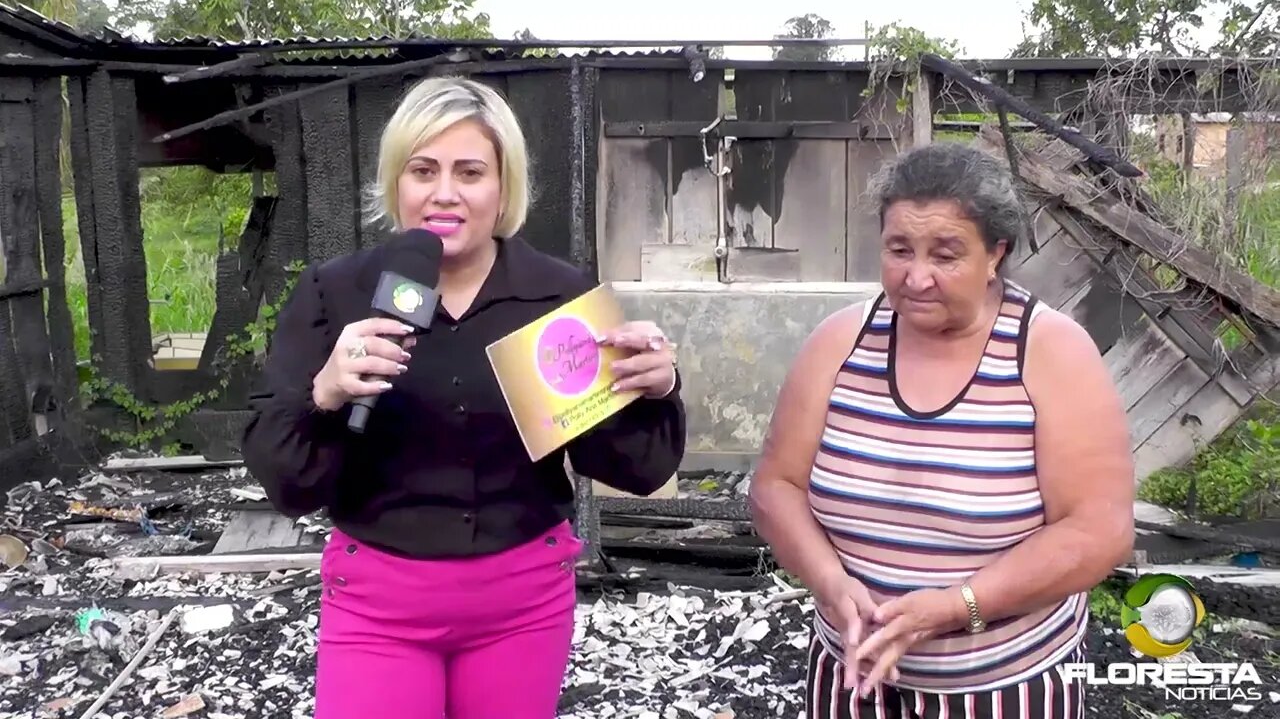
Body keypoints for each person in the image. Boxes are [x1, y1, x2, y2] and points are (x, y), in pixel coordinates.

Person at [240, 75, 686, 719]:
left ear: (503, 187)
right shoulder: (336, 294)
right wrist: (325, 393)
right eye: (424, 170)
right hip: (377, 605)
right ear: (397, 180)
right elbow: (285, 481)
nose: (443, 193)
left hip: (522, 606)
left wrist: (656, 388)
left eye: (470, 171)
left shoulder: (554, 299)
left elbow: (633, 467)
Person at [748, 141, 1135, 719]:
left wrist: (956, 608)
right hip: (850, 680)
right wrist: (830, 584)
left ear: (996, 253)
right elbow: (775, 487)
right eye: (899, 249)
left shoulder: (1050, 354)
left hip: (1004, 692)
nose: (916, 277)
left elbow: (1097, 532)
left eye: (946, 255)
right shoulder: (839, 342)